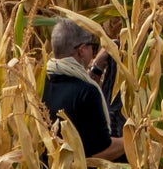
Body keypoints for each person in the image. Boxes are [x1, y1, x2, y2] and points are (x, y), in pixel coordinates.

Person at [42, 17, 125, 161]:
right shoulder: (87, 92)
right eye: (92, 47)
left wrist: (96, 68)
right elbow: (100, 151)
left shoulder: (41, 82)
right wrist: (134, 138)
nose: (93, 52)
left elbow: (74, 93)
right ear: (81, 50)